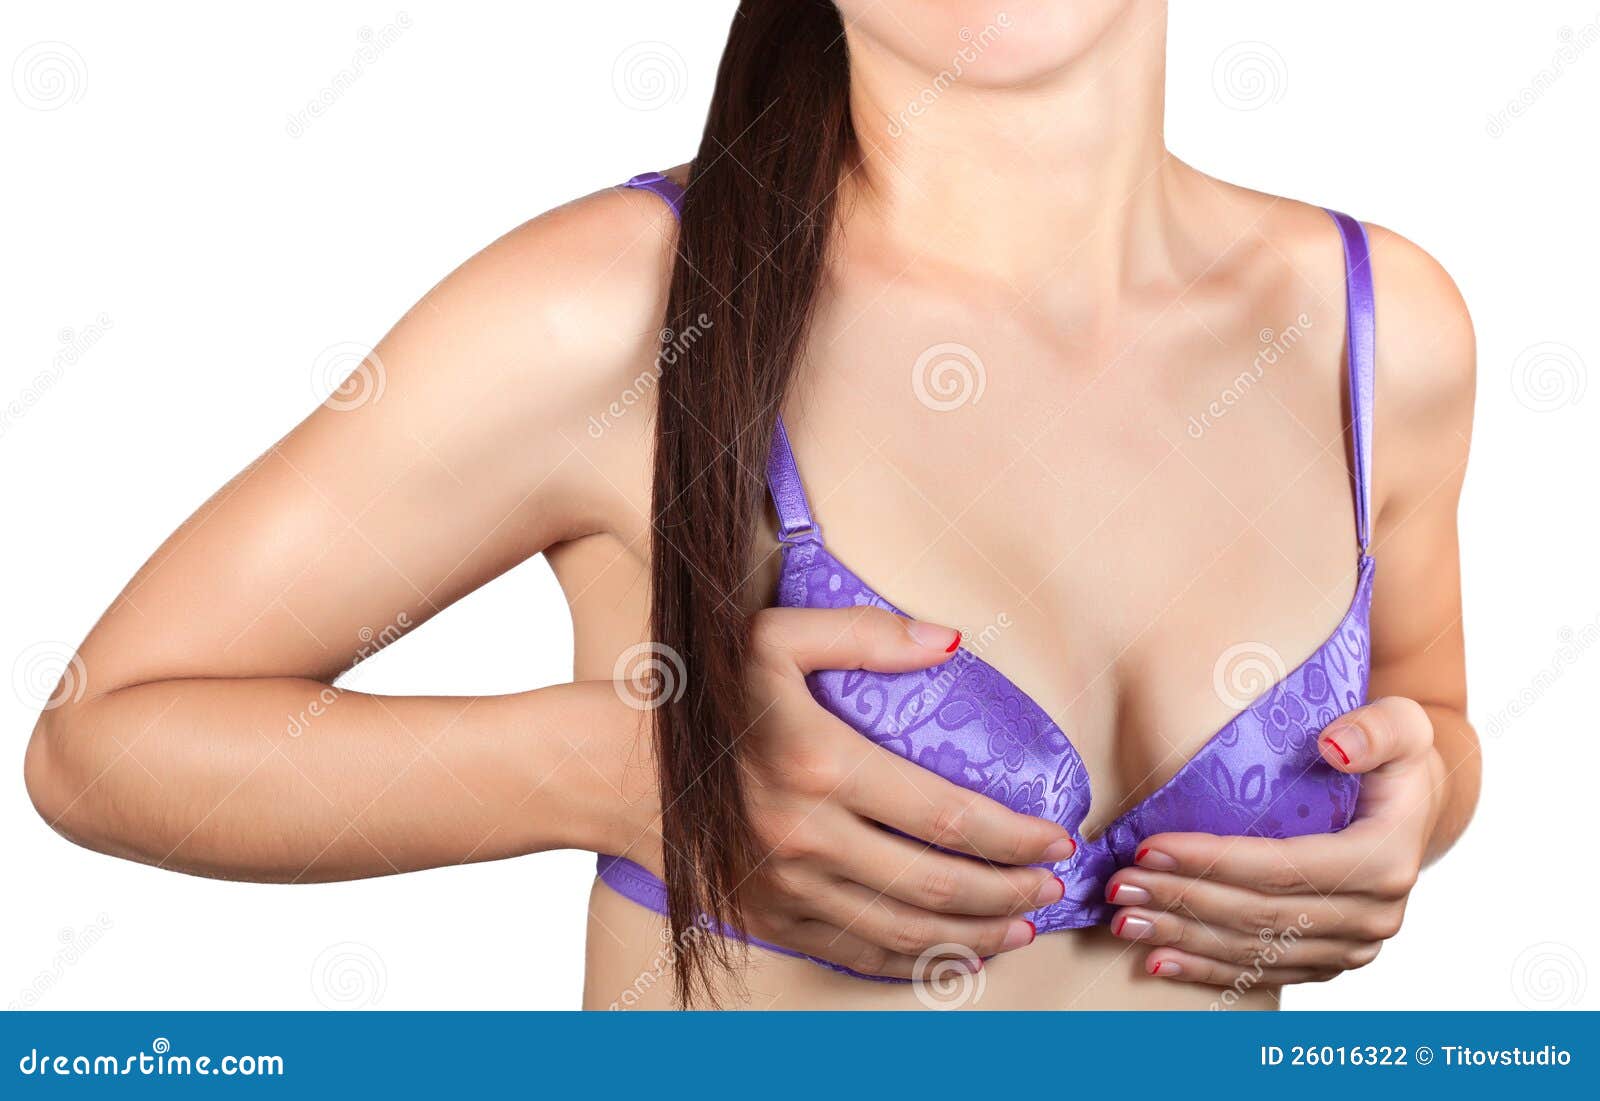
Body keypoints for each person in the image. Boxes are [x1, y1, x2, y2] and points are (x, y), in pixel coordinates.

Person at [24, 0, 1479, 1010]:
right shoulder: (619, 312)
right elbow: (105, 735)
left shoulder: (1374, 331)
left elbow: (1436, 720)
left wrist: (1418, 808)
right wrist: (627, 771)